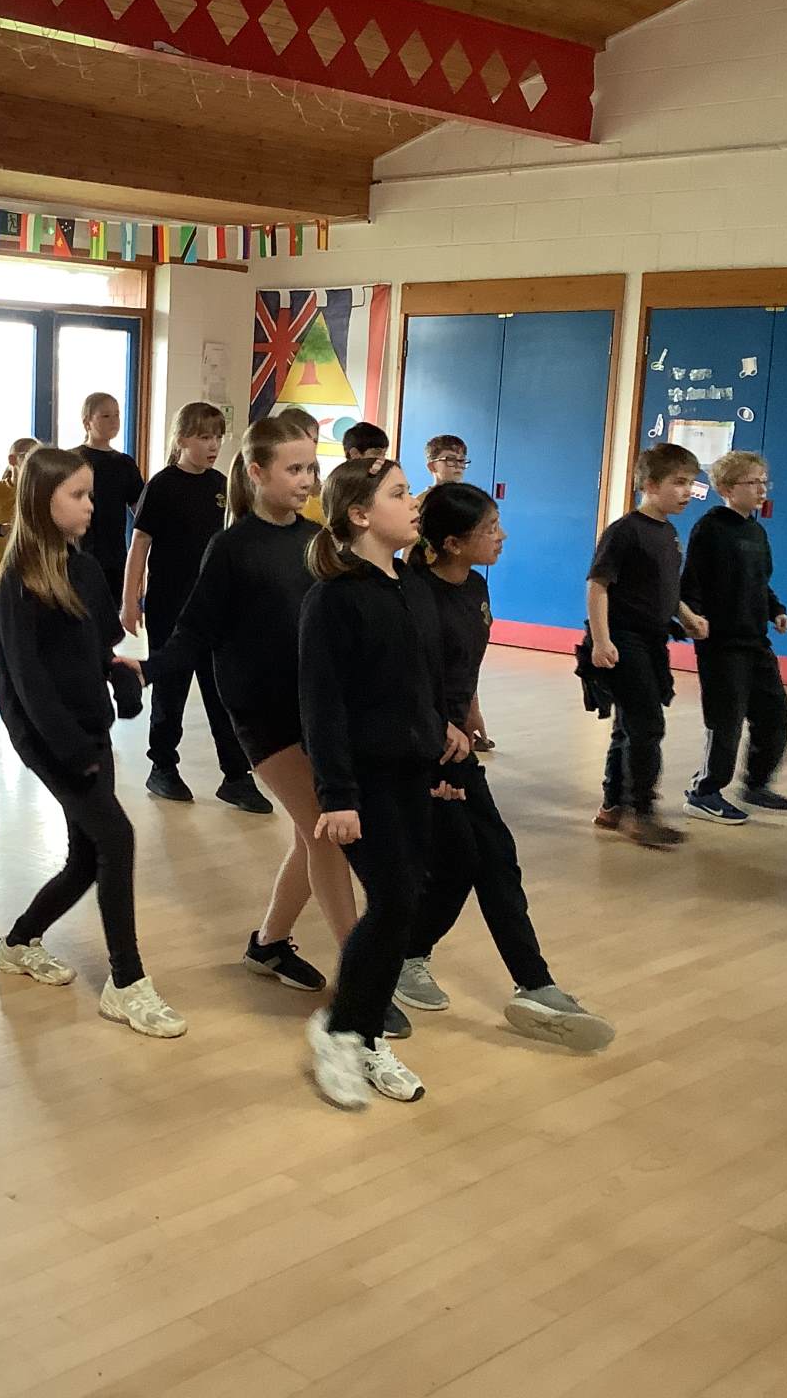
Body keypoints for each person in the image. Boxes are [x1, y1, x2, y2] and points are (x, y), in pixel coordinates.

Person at [143, 415, 408, 1034]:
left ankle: (268, 944)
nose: (307, 479)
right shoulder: (231, 548)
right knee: (326, 835)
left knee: (307, 835)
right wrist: (148, 672)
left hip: (318, 711)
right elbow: (194, 631)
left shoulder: (320, 541)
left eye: (312, 468)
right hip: (262, 718)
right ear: (257, 473)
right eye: (294, 469)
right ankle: (360, 979)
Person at [396, 483, 615, 1050]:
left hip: (456, 745)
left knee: (485, 857)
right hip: (420, 749)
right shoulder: (412, 593)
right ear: (451, 543)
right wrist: (436, 730)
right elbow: (402, 679)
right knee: (471, 858)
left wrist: (470, 714)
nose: (502, 536)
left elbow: (464, 664)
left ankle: (521, 981)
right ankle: (508, 977)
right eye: (490, 528)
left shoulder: (475, 585)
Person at [0, 446, 185, 1038]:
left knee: (86, 856)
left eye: (90, 495)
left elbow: (97, 647)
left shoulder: (86, 569)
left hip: (87, 727)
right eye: (77, 495)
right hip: (50, 738)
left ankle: (19, 942)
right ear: (40, 500)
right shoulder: (19, 582)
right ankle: (126, 981)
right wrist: (71, 750)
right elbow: (27, 682)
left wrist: (120, 678)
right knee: (117, 837)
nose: (90, 506)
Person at [300, 457, 462, 1108]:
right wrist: (337, 796)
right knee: (393, 902)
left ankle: (363, 1034)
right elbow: (323, 706)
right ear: (361, 514)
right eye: (400, 493)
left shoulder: (412, 585)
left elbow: (425, 677)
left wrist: (442, 736)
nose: (415, 501)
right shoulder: (333, 599)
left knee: (406, 903)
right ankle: (341, 1032)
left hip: (412, 771)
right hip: (363, 782)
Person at [121, 401, 269, 813]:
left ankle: (236, 775)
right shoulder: (163, 485)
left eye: (218, 437)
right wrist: (130, 600)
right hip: (171, 604)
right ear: (182, 439)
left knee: (222, 692)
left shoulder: (221, 485)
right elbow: (140, 544)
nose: (213, 445)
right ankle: (163, 765)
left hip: (215, 606)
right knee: (171, 688)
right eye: (204, 437)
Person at [586, 442, 708, 849]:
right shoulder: (625, 531)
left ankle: (613, 806)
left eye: (691, 483)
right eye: (679, 483)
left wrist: (686, 616)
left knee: (628, 726)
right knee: (646, 725)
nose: (687, 492)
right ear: (650, 485)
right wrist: (601, 640)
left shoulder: (669, 533)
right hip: (624, 639)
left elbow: (665, 588)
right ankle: (641, 812)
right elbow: (598, 585)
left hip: (652, 640)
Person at [679, 450, 787, 826]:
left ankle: (756, 784)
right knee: (726, 720)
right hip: (721, 643)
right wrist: (693, 617)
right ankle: (704, 792)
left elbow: (760, 583)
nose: (762, 489)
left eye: (765, 481)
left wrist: (776, 610)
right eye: (753, 482)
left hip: (755, 640)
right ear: (727, 488)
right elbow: (692, 579)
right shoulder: (711, 528)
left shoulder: (757, 532)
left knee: (775, 713)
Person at [73, 392, 144, 605]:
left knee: (109, 611)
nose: (114, 421)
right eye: (105, 416)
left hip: (114, 553)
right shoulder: (73, 459)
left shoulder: (124, 463)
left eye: (117, 415)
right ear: (87, 422)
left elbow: (140, 508)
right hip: (78, 549)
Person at [0, 437, 42, 582]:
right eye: (29, 456)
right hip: (0, 570)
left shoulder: (40, 492)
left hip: (34, 570)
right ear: (12, 460)